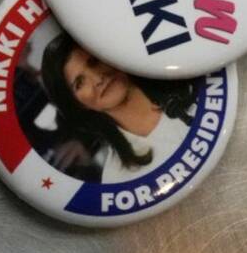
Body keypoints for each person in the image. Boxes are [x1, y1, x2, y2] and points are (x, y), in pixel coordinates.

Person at [40, 33, 196, 184]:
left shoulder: (193, 84)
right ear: (78, 104)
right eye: (79, 83)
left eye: (94, 61)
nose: (97, 79)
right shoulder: (117, 179)